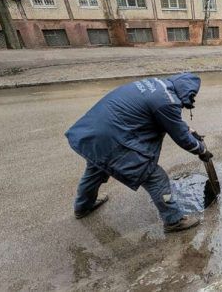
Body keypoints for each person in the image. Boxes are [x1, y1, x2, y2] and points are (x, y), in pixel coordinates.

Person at [65, 73, 213, 233]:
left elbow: (164, 118)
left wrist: (190, 130)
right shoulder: (167, 102)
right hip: (113, 138)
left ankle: (83, 207)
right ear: (188, 92)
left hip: (93, 132)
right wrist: (201, 150)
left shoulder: (155, 86)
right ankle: (174, 220)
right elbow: (181, 137)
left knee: (96, 169)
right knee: (155, 177)